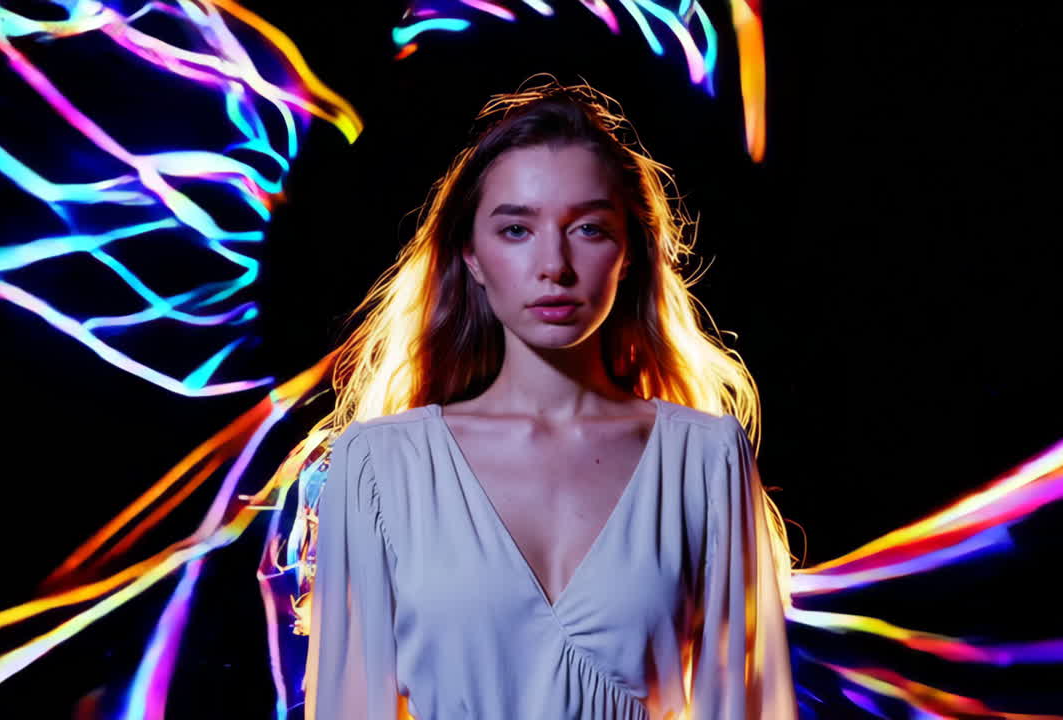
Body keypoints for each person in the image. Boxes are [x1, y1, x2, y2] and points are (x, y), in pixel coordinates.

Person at [299, 75, 798, 720]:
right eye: (516, 230)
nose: (553, 265)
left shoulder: (705, 459)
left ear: (630, 254)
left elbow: (747, 708)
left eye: (588, 228)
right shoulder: (378, 465)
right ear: (471, 256)